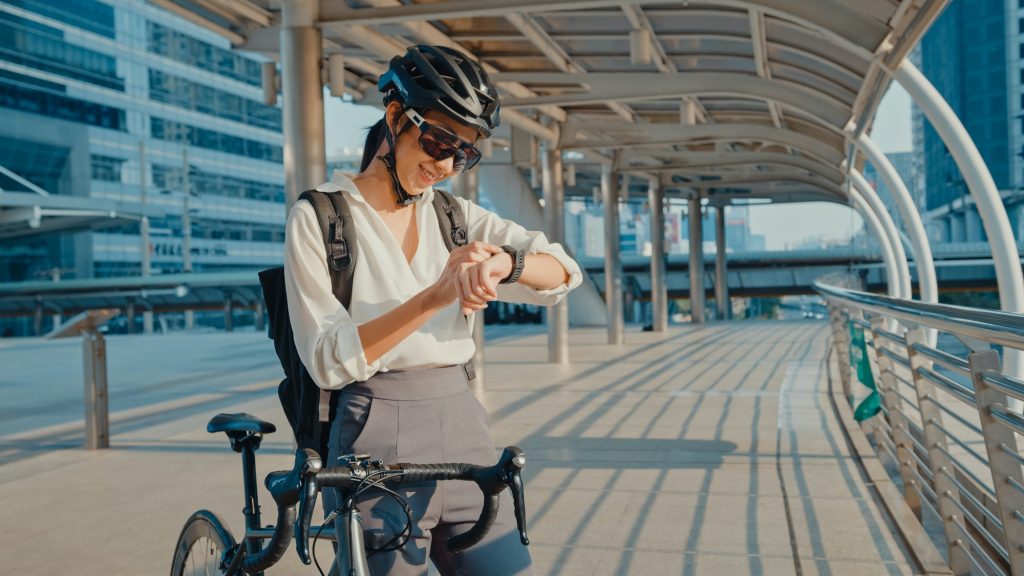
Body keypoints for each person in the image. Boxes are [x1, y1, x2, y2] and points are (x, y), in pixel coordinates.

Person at [284, 44, 582, 576]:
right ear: (396, 116)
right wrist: (434, 297)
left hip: (463, 423)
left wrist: (502, 265)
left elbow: (562, 271)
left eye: (463, 154)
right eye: (439, 141)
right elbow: (329, 360)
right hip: (373, 428)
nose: (445, 165)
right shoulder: (321, 217)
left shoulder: (454, 215)